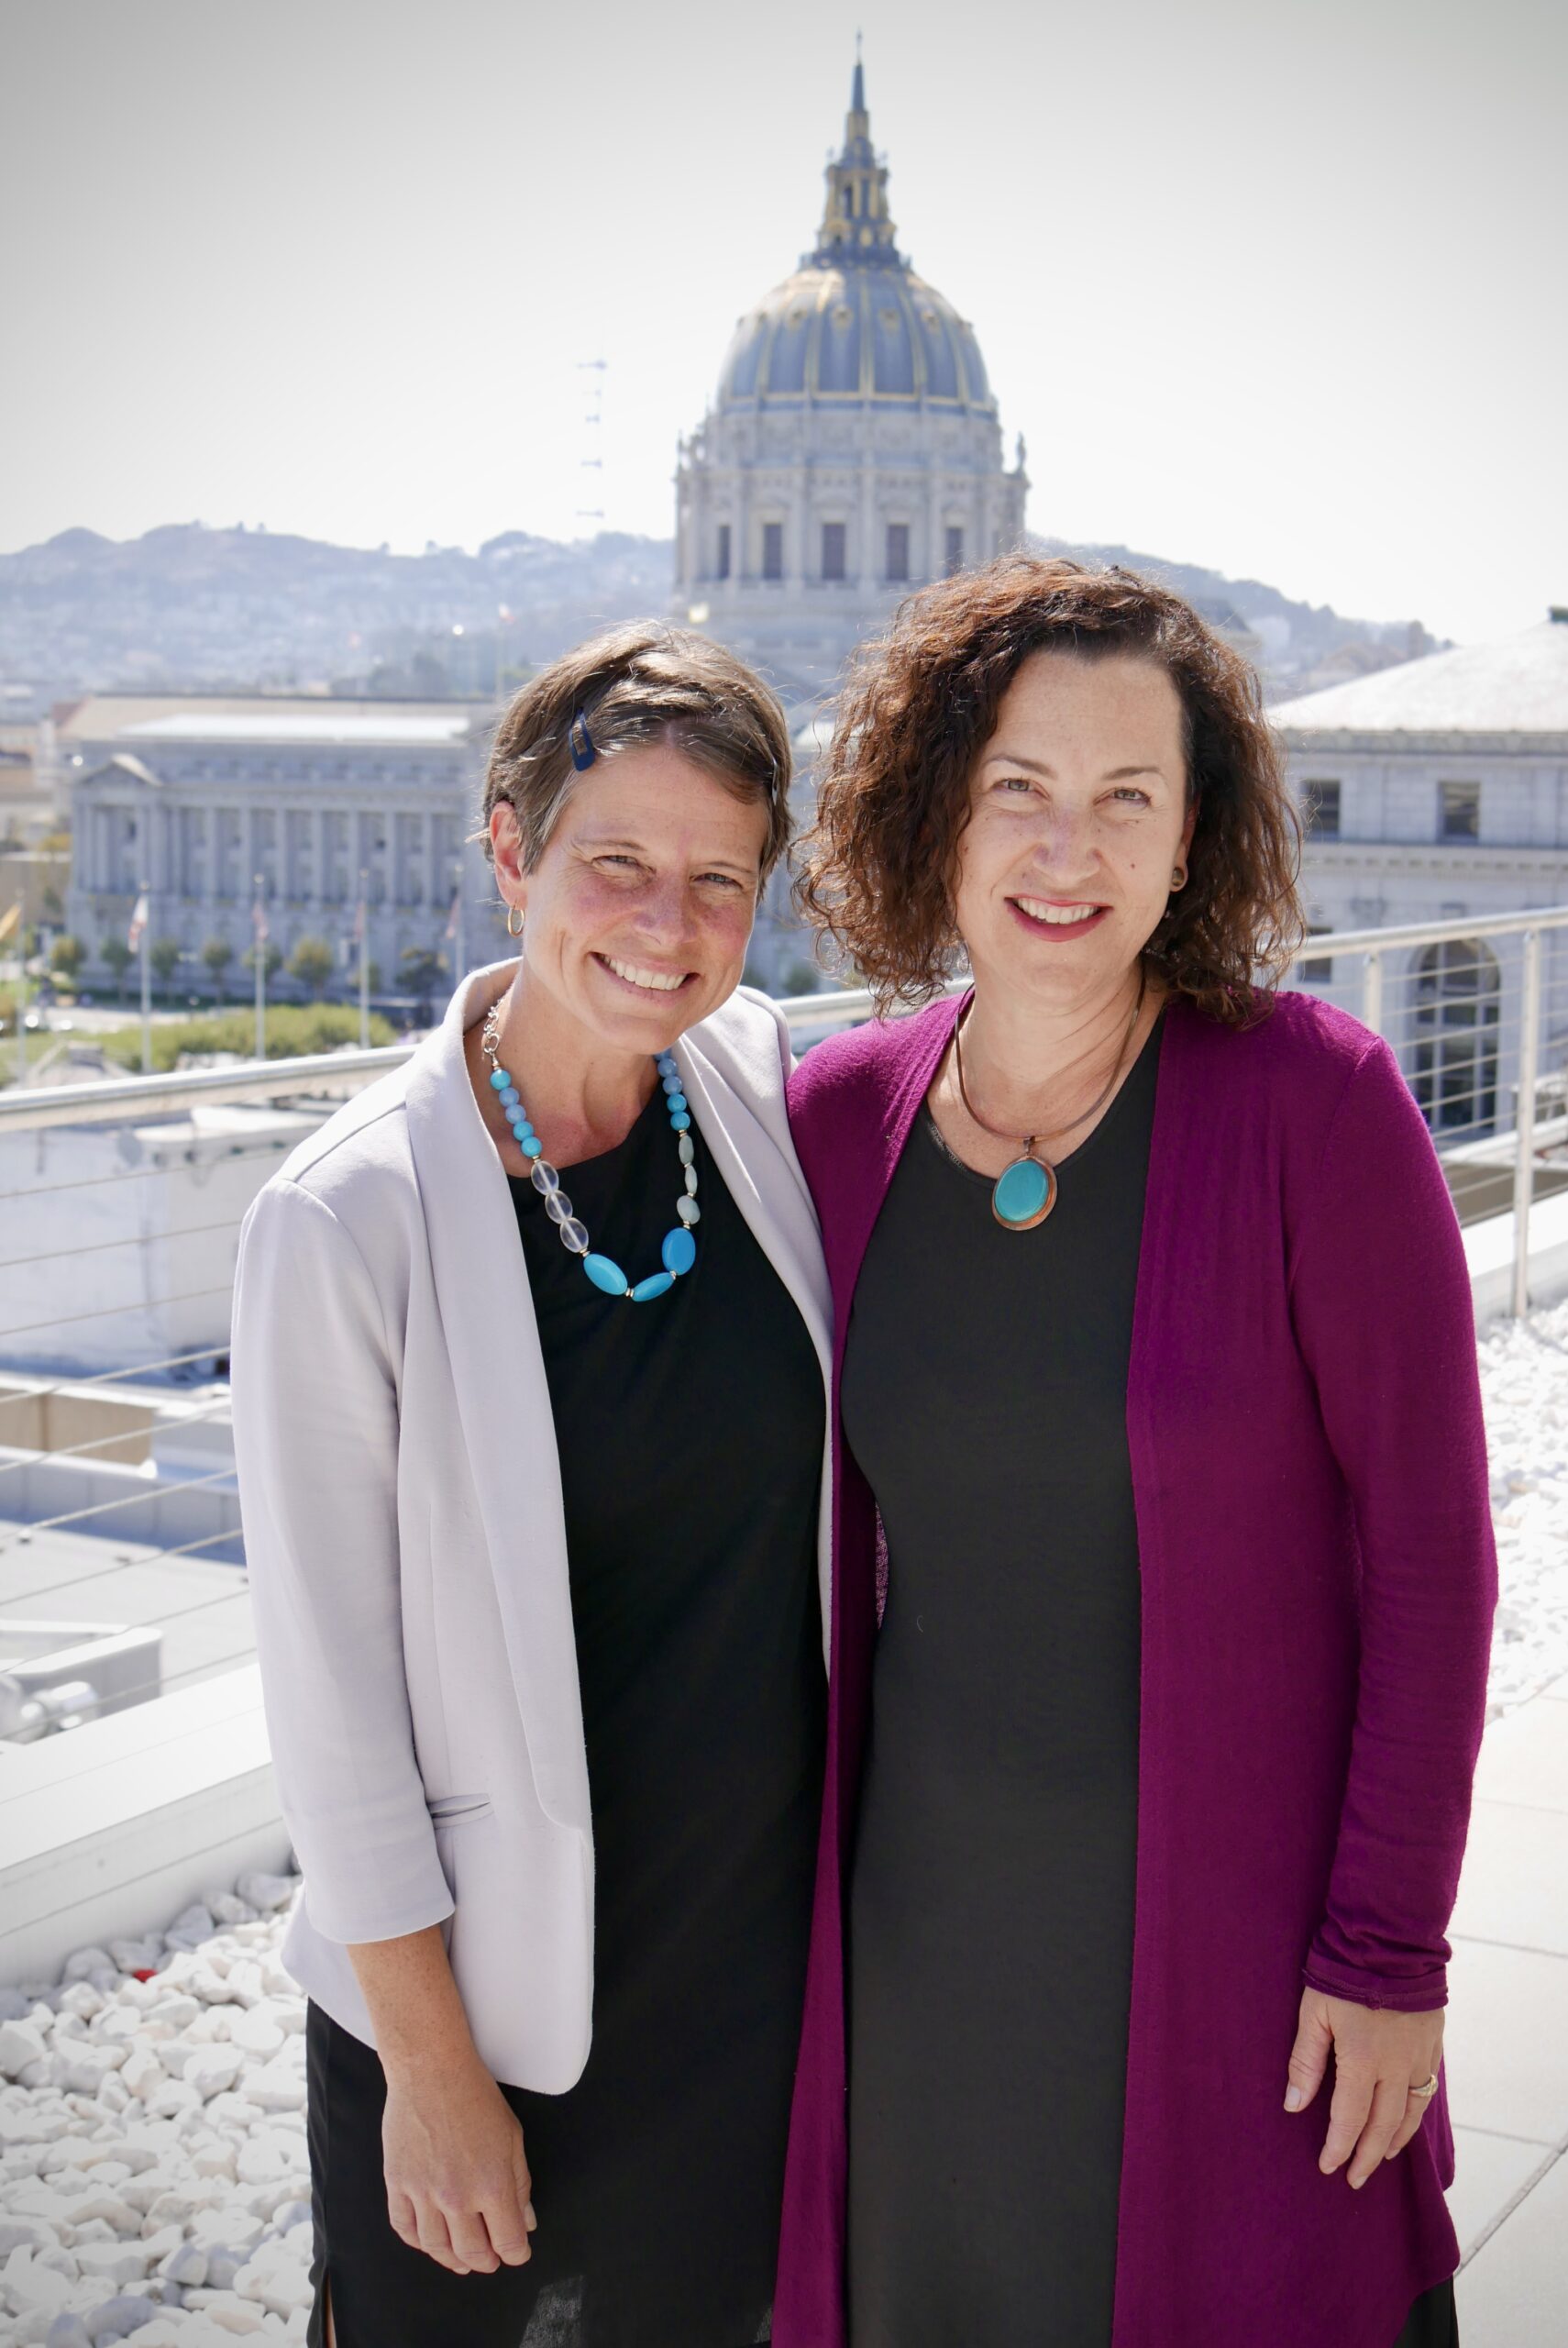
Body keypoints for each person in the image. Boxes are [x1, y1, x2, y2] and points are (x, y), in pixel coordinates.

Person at [773, 557, 1497, 2348]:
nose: (1062, 847)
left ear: (1196, 841)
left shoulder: (1316, 1108)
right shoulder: (830, 1124)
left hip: (1243, 1958)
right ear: (934, 806)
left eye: (1125, 798)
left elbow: (1431, 1557)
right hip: (924, 1947)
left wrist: (1387, 1951)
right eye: (1015, 786)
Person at [231, 623, 833, 2348]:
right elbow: (330, 1709)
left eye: (718, 878)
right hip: (494, 2019)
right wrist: (428, 2077)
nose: (667, 924)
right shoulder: (346, 1218)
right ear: (510, 850)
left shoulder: (754, 1086)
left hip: (743, 1983)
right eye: (616, 864)